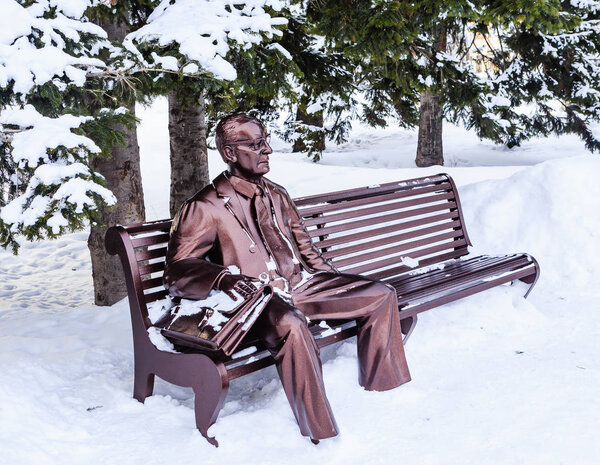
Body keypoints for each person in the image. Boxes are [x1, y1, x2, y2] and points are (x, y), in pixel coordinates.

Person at [163, 113, 411, 443]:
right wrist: (221, 278)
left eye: (265, 141)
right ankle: (320, 432)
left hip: (300, 286)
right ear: (229, 152)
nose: (266, 150)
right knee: (291, 325)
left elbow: (306, 250)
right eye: (255, 144)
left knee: (381, 293)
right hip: (258, 304)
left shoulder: (277, 194)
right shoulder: (205, 206)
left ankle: (382, 390)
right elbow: (176, 270)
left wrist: (335, 284)